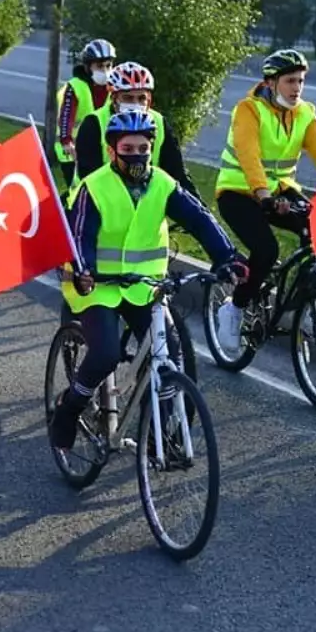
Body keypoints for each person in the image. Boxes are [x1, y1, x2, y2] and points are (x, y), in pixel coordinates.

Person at [50, 111, 248, 451]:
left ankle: (161, 432)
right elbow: (80, 235)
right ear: (112, 151)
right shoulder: (93, 187)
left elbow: (199, 220)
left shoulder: (163, 184)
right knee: (106, 354)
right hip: (98, 286)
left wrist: (227, 257)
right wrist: (84, 270)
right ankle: (69, 408)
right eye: (128, 148)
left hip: (145, 287)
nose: (137, 155)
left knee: (167, 354)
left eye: (144, 147)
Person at [212, 49, 316, 350]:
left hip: (279, 190)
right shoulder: (249, 110)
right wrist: (264, 195)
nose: (296, 88)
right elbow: (249, 156)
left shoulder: (305, 113)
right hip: (238, 192)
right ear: (271, 82)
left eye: (301, 81)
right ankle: (234, 309)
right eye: (290, 81)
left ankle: (303, 307)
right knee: (266, 249)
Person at [73, 61, 198, 197]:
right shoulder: (94, 123)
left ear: (149, 100)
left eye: (141, 98)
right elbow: (90, 176)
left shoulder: (159, 122)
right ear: (114, 99)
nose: (135, 104)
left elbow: (178, 176)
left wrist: (202, 212)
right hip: (93, 203)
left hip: (143, 208)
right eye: (128, 98)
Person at [54, 39, 116, 187]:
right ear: (88, 67)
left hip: (100, 150)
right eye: (99, 66)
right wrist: (66, 141)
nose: (105, 71)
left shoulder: (113, 87)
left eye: (108, 66)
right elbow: (66, 116)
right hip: (72, 152)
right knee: (78, 190)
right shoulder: (75, 87)